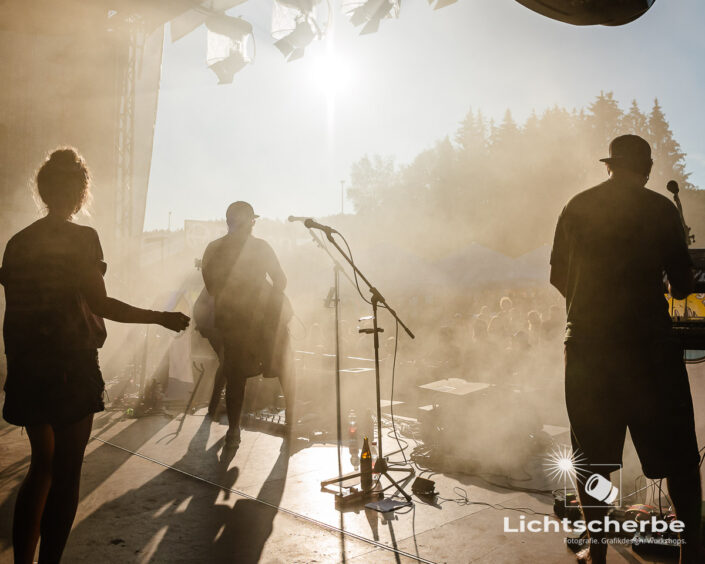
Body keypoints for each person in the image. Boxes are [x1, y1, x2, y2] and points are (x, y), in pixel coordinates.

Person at [0, 148, 190, 564]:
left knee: (40, 467)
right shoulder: (81, 239)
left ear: (43, 189)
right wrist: (159, 317)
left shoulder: (18, 242)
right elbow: (100, 304)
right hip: (70, 366)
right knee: (66, 474)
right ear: (81, 191)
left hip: (29, 367)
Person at [550, 135, 703, 564]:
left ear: (609, 166)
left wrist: (592, 307)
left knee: (591, 458)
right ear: (648, 170)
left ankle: (596, 557)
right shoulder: (659, 209)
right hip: (648, 350)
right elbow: (683, 287)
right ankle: (691, 555)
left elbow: (559, 277)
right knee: (679, 456)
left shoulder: (575, 206)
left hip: (586, 349)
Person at [201, 201, 294, 455]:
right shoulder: (261, 247)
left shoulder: (213, 248)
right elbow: (281, 281)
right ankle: (291, 422)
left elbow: (211, 289)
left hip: (231, 323)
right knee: (285, 366)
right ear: (251, 221)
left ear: (228, 222)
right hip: (262, 322)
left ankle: (233, 432)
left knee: (235, 378)